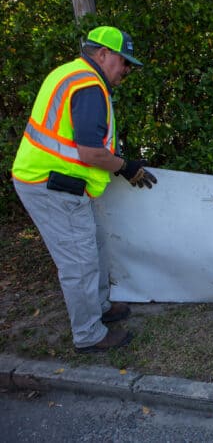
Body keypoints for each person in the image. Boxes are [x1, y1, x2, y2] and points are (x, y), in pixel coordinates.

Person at [11, 26, 157, 353]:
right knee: (79, 263)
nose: (127, 70)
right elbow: (90, 152)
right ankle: (89, 335)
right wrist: (126, 167)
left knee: (93, 247)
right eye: (124, 61)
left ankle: (101, 308)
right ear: (102, 54)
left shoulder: (72, 73)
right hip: (52, 185)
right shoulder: (89, 86)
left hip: (56, 181)